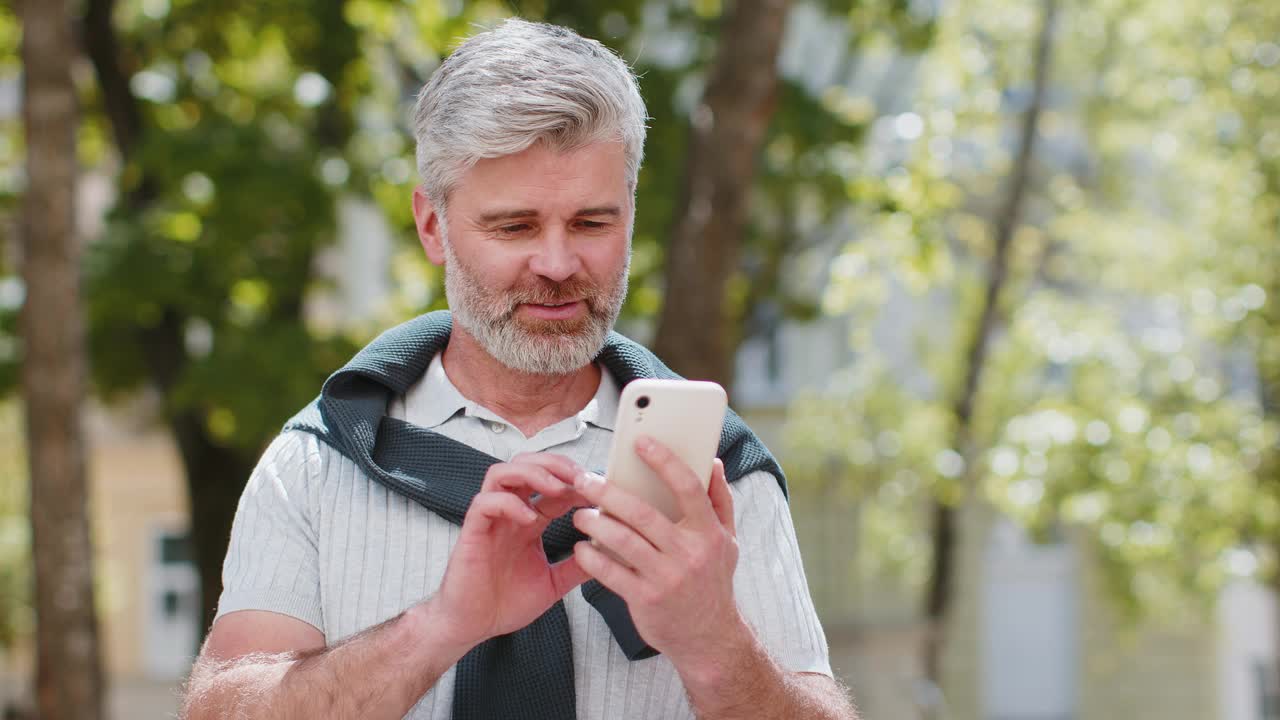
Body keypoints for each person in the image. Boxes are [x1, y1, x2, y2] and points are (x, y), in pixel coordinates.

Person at [180, 18, 858, 720]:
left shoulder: (717, 474)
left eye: (593, 224)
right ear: (433, 226)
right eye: (515, 227)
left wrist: (713, 641)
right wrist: (441, 626)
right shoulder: (316, 466)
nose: (559, 265)